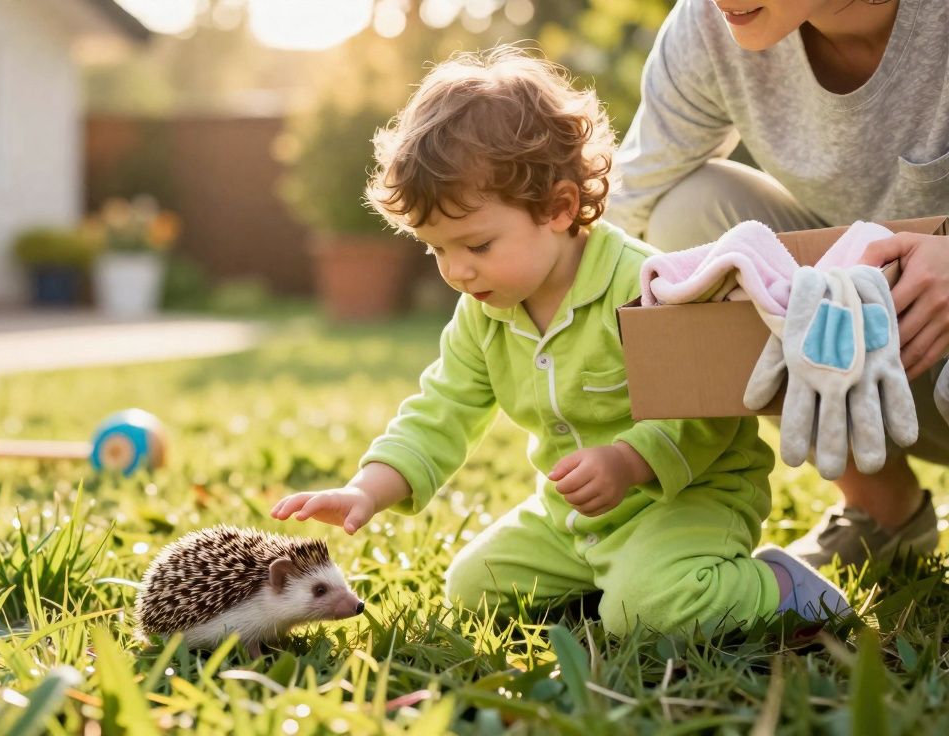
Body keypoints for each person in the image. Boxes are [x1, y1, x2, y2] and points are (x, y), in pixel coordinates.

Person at [270, 47, 850, 635]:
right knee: (472, 588)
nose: (456, 272)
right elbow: (441, 410)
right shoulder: (483, 313)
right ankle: (611, 583)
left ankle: (777, 585)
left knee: (646, 611)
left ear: (558, 207)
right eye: (435, 249)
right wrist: (367, 488)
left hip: (683, 501)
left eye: (476, 246)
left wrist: (627, 461)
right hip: (573, 516)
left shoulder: (645, 284)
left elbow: (707, 409)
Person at [609, 0, 949, 569]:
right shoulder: (709, 26)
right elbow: (625, 208)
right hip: (870, 365)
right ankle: (884, 513)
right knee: (687, 212)